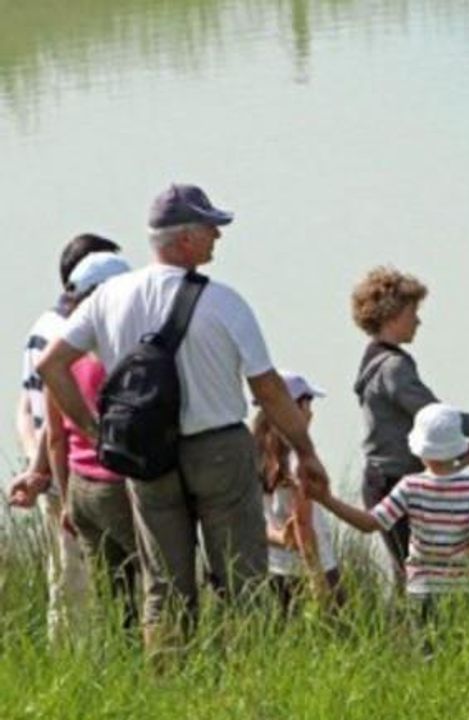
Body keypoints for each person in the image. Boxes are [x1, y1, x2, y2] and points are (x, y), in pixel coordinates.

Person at [36, 183, 330, 652]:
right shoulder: (225, 301)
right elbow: (268, 389)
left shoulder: (108, 298)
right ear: (186, 239)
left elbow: (50, 365)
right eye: (211, 228)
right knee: (241, 579)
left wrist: (95, 431)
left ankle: (169, 686)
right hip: (217, 450)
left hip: (147, 456)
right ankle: (246, 685)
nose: (218, 236)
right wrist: (305, 450)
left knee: (165, 587)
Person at [350, 266, 469, 588]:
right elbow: (438, 418)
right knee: (411, 575)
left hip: (390, 478)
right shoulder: (394, 368)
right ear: (393, 315)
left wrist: (460, 454)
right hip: (392, 481)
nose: (418, 321)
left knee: (413, 574)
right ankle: (412, 637)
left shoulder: (374, 359)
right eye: (413, 312)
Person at [9, 232, 121, 643]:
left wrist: (34, 470)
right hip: (79, 471)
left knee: (65, 581)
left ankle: (70, 659)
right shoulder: (72, 333)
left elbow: (26, 407)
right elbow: (57, 418)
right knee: (86, 583)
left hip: (54, 473)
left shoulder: (40, 327)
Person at [316, 403, 469, 634]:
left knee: (425, 655)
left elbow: (369, 523)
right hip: (461, 591)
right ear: (458, 447)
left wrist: (326, 499)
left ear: (419, 449)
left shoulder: (411, 486)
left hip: (420, 590)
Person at [46, 252, 139, 630]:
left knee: (112, 597)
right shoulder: (116, 357)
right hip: (119, 486)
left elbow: (55, 437)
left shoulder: (63, 358)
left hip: (81, 488)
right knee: (155, 584)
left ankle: (123, 666)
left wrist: (66, 499)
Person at [253, 371, 345, 615]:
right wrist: (316, 578)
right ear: (293, 408)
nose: (311, 412)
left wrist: (279, 536)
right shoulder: (298, 460)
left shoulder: (255, 457)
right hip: (312, 567)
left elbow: (252, 521)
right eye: (307, 403)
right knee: (337, 635)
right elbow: (303, 523)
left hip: (275, 567)